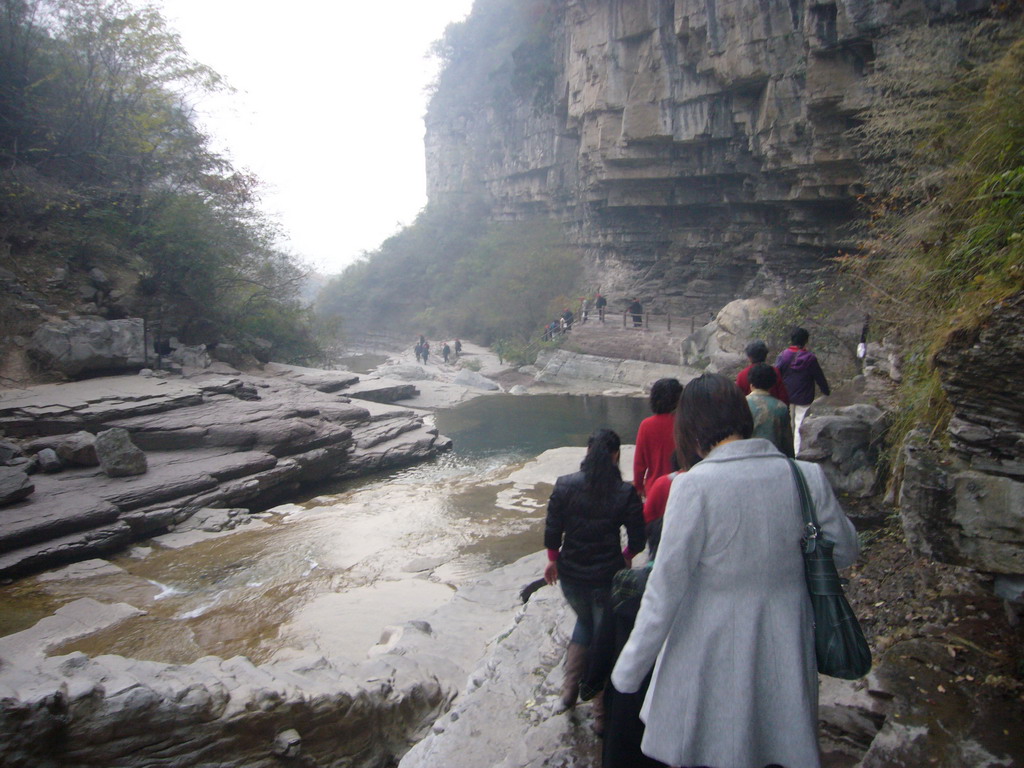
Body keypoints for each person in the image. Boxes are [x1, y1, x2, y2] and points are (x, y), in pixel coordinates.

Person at [611, 374, 858, 768]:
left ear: (689, 427)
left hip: (711, 650)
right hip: (787, 643)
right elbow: (845, 551)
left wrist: (629, 669)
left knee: (719, 747)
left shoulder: (695, 487)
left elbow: (664, 591)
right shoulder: (804, 476)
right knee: (777, 742)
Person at [544, 429, 645, 717]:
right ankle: (600, 710)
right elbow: (638, 539)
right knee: (603, 636)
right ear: (616, 456)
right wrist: (626, 557)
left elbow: (553, 530)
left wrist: (553, 560)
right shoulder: (624, 492)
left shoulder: (564, 485)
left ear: (587, 453)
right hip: (605, 576)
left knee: (586, 623)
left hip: (571, 576)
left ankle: (568, 693)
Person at [775, 327, 831, 455]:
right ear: (806, 341)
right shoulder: (810, 358)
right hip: (804, 397)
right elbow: (819, 376)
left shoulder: (783, 356)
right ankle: (798, 454)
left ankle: (786, 453)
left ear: (791, 340)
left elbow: (776, 374)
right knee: (800, 425)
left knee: (788, 426)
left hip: (786, 396)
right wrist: (826, 391)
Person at [632, 378, 683, 499]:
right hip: (681, 486)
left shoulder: (646, 425)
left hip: (654, 490)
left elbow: (639, 464)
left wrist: (638, 487)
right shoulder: (685, 423)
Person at [747, 363, 794, 457]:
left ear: (751, 384)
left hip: (747, 456)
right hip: (774, 457)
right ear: (772, 384)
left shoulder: (741, 404)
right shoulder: (780, 407)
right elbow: (786, 442)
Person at [736, 339, 790, 404]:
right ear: (765, 355)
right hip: (774, 411)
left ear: (749, 357)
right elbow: (783, 397)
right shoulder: (775, 371)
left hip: (749, 412)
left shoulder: (742, 375)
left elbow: (738, 400)